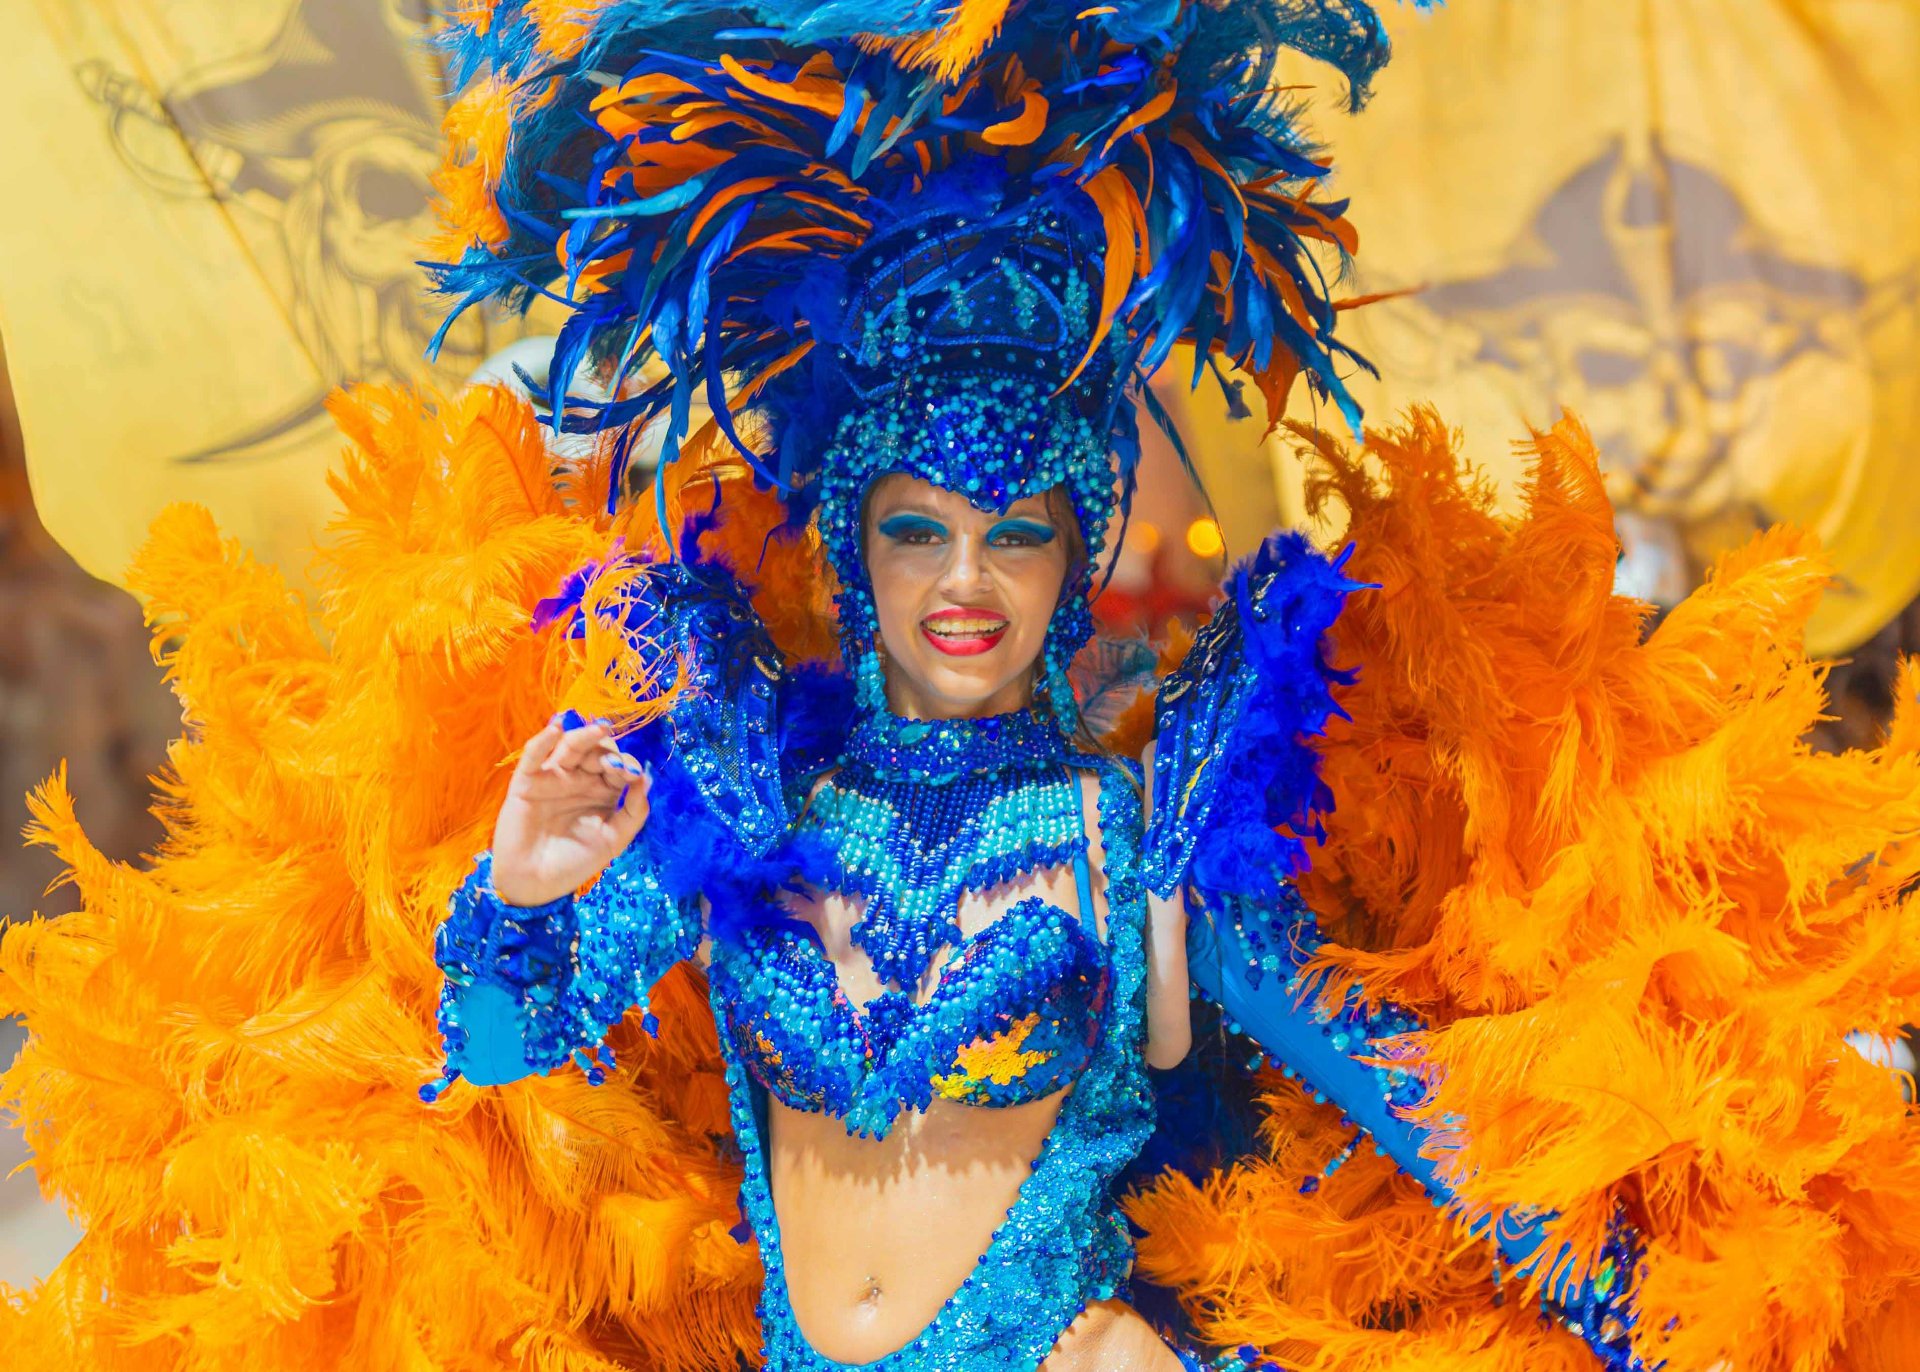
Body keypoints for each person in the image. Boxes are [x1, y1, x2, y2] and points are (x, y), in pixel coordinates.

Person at [4, 4, 1916, 1371]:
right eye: (918, 531)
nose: (967, 583)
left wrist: (1668, 1310)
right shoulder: (745, 815)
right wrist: (519, 884)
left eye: (1017, 534)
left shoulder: (1133, 842)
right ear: (854, 543)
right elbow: (496, 1051)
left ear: (1080, 555)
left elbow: (1424, 1112)